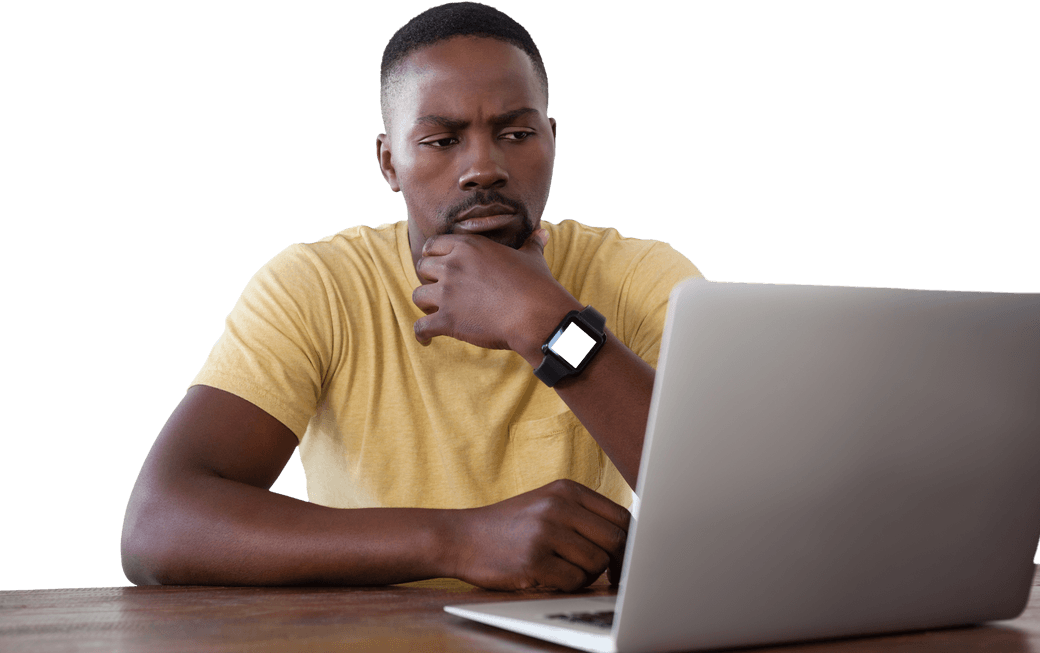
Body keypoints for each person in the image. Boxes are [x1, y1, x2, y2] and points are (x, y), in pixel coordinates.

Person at [120, 2, 703, 592]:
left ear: (553, 142)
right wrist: (457, 540)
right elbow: (157, 528)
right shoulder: (317, 286)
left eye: (517, 133)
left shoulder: (640, 276)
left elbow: (744, 502)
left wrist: (543, 319)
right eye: (441, 140)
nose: (483, 168)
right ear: (389, 162)